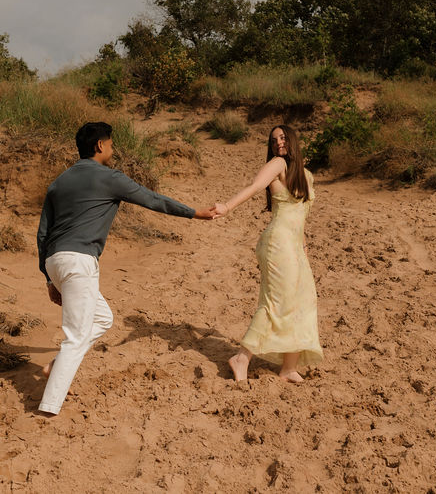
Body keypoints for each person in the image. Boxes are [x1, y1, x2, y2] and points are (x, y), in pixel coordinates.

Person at [36, 121, 216, 416]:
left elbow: (43, 233)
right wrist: (195, 213)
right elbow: (154, 200)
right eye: (111, 144)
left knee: (103, 318)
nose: (113, 149)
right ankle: (48, 407)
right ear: (100, 146)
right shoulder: (110, 178)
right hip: (80, 261)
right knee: (76, 335)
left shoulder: (59, 181)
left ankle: (57, 365)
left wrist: (48, 278)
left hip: (54, 260)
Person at [215, 124, 322, 383]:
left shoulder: (305, 174)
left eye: (283, 138)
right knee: (277, 302)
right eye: (274, 140)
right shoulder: (277, 165)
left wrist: (304, 250)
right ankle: (241, 358)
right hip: (277, 244)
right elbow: (254, 186)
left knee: (304, 301)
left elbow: (300, 219)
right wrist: (227, 207)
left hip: (295, 246)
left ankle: (288, 368)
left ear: (293, 140)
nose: (278, 143)